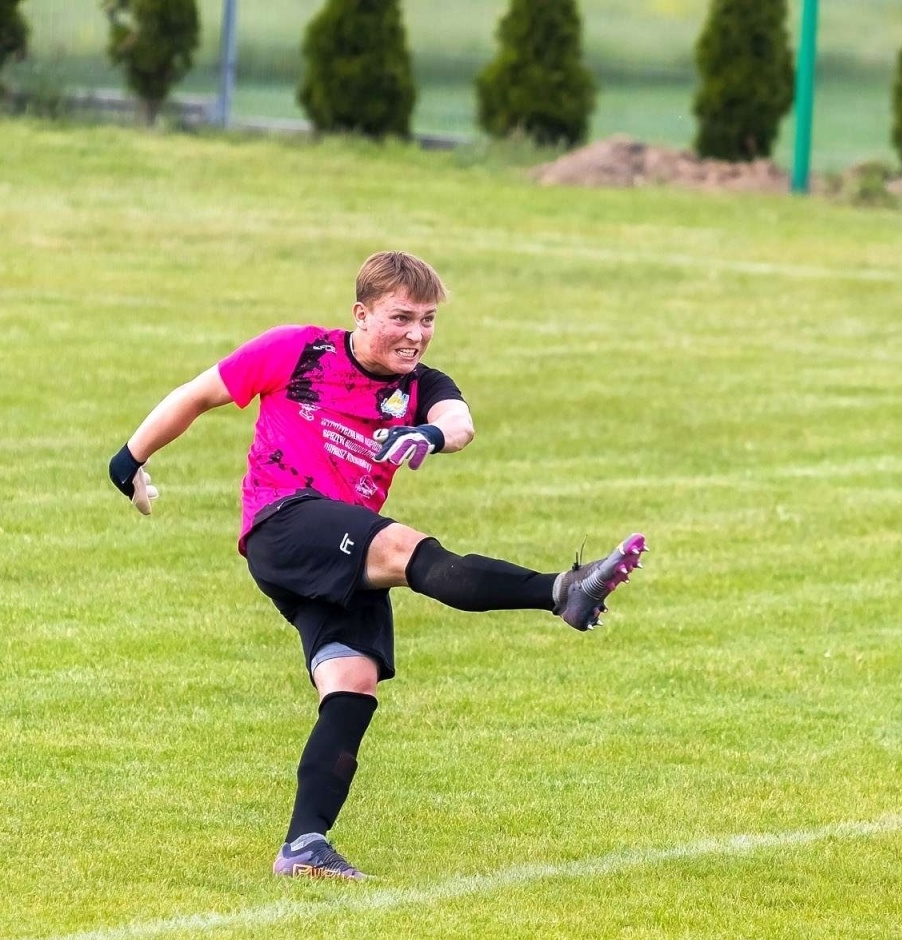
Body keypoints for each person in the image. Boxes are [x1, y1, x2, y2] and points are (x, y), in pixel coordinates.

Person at [108, 251, 645, 881]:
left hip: (338, 549)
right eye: (400, 318)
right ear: (361, 315)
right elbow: (198, 395)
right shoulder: (297, 351)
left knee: (351, 684)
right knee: (406, 550)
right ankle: (561, 590)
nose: (415, 335)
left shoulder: (422, 388)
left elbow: (459, 421)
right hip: (285, 522)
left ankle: (303, 845)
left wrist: (430, 436)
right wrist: (129, 460)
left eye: (427, 320)